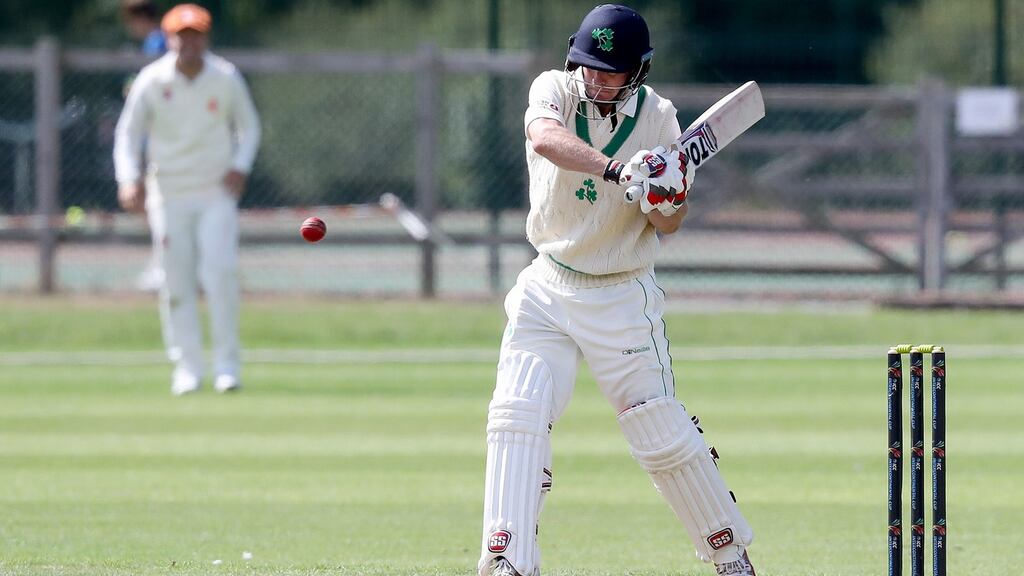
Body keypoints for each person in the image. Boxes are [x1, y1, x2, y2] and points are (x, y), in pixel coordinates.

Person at [478, 5, 756, 576]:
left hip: (622, 294)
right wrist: (617, 170)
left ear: (638, 71)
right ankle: (508, 560)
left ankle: (730, 556)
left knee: (659, 430)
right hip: (548, 284)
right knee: (517, 414)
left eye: (610, 71)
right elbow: (545, 139)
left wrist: (664, 192)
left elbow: (669, 224)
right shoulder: (554, 89)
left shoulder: (660, 118)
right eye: (589, 66)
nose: (597, 79)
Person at [113, 3, 261, 396]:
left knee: (220, 274)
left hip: (215, 192)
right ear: (169, 39)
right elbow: (128, 134)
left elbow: (249, 128)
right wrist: (129, 179)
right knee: (175, 281)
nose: (189, 43)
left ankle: (227, 367)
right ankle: (187, 368)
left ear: (206, 38)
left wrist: (240, 166)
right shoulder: (152, 80)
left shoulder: (225, 77)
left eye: (196, 35)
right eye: (182, 36)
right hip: (168, 194)